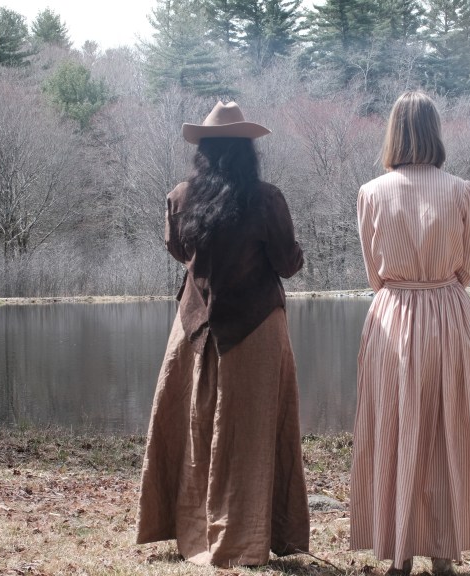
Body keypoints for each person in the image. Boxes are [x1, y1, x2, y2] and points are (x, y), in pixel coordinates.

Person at [135, 101, 310, 567]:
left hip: (194, 328)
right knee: (254, 432)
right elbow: (287, 263)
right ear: (248, 151)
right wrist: (296, 252)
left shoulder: (180, 197)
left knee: (193, 426)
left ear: (205, 152)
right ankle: (248, 537)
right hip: (256, 329)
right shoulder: (266, 199)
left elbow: (179, 251)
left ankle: (193, 531)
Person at [350, 91, 470, 576]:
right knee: (448, 428)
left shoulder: (370, 192)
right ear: (435, 131)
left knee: (395, 428)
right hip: (449, 314)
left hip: (392, 316)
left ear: (393, 133)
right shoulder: (461, 190)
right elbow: (469, 268)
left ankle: (400, 553)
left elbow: (374, 274)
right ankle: (443, 552)